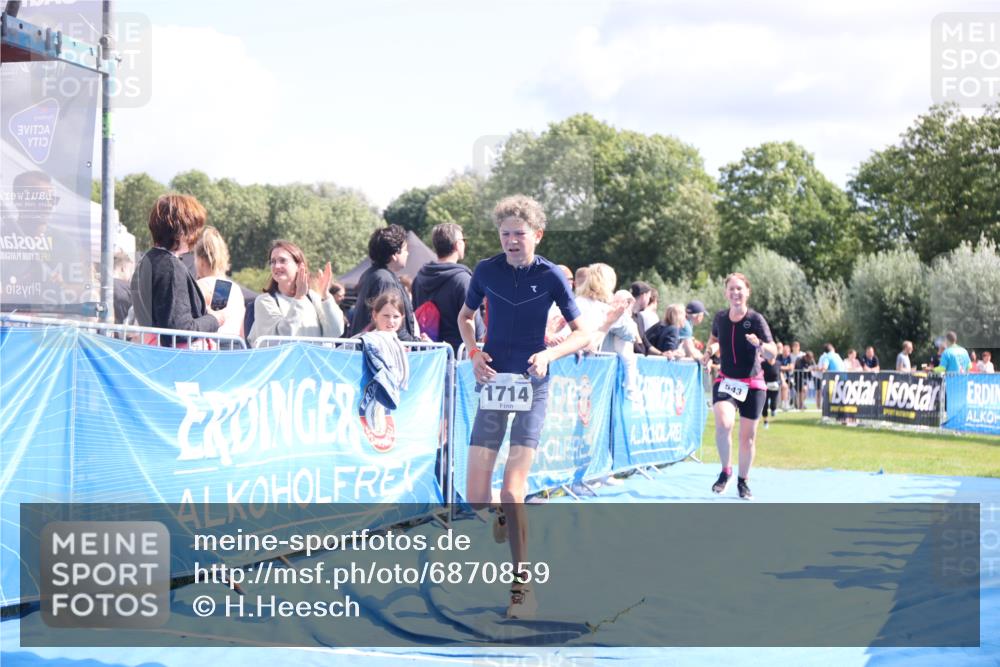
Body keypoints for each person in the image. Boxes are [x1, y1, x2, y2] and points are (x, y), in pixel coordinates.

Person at [457, 195, 592, 619]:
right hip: (495, 381)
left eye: (519, 234)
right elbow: (464, 317)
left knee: (512, 490)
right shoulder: (485, 270)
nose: (512, 241)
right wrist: (474, 352)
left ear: (537, 234)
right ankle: (498, 514)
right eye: (505, 234)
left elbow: (582, 334)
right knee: (477, 498)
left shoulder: (551, 275)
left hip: (533, 384)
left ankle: (521, 587)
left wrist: (549, 356)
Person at [702, 273, 776, 500]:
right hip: (726, 380)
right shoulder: (720, 318)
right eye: (731, 289)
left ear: (747, 292)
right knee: (723, 424)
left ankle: (743, 481)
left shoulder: (756, 320)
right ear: (726, 293)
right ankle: (726, 471)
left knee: (748, 438)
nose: (735, 293)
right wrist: (709, 352)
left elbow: (772, 354)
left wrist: (760, 344)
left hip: (753, 384)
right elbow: (714, 341)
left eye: (740, 289)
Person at [130, 194, 222, 346]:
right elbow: (180, 330)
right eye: (194, 228)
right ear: (182, 230)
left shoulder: (146, 262)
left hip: (154, 352)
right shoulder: (170, 267)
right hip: (177, 361)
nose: (196, 235)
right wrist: (214, 319)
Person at [247, 240, 344, 347]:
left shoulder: (312, 297)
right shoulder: (265, 301)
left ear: (299, 265)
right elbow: (280, 339)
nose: (277, 266)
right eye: (273, 262)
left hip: (314, 363)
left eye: (283, 260)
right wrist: (299, 298)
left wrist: (325, 295)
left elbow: (336, 332)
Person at [411, 222, 484, 353]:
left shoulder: (419, 279)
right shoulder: (463, 280)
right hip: (456, 356)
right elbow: (476, 325)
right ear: (457, 244)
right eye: (463, 240)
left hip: (428, 354)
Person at [351, 224, 418, 339]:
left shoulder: (372, 275)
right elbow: (390, 322)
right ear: (395, 254)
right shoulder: (384, 280)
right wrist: (416, 344)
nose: (407, 253)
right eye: (405, 250)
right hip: (384, 351)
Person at [193, 226, 245, 338]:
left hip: (212, 348)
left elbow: (218, 323)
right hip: (235, 348)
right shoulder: (234, 288)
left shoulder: (200, 286)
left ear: (201, 260)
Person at [629, 281, 662, 355]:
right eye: (649, 297)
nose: (648, 301)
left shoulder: (639, 317)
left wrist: (662, 354)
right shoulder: (626, 315)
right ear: (644, 296)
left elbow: (646, 344)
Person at [112, 250, 134, 324]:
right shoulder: (130, 289)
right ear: (122, 269)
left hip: (97, 334)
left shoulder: (98, 285)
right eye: (130, 271)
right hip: (122, 333)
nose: (130, 275)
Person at [762, 353, 780, 429]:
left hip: (775, 386)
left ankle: (773, 409)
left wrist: (783, 382)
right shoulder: (763, 364)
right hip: (765, 386)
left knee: (773, 403)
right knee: (765, 405)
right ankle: (765, 422)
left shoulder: (778, 363)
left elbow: (780, 373)